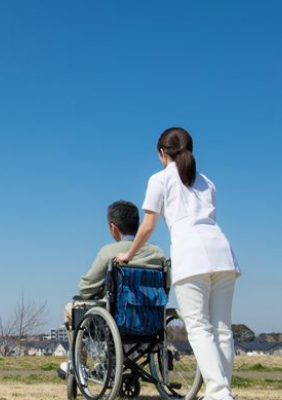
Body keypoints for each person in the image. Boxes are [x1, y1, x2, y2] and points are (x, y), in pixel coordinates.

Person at [116, 127, 241, 400]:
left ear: (162, 153)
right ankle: (222, 391)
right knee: (222, 329)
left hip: (191, 254)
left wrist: (129, 255)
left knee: (198, 327)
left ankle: (219, 393)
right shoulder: (207, 182)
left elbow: (148, 225)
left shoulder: (159, 180)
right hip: (222, 252)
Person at [63, 200, 167, 334]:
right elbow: (166, 288)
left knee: (69, 308)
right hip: (152, 319)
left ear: (113, 228)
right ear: (138, 224)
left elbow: (86, 289)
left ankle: (78, 348)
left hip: (118, 319)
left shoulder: (108, 252)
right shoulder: (158, 253)